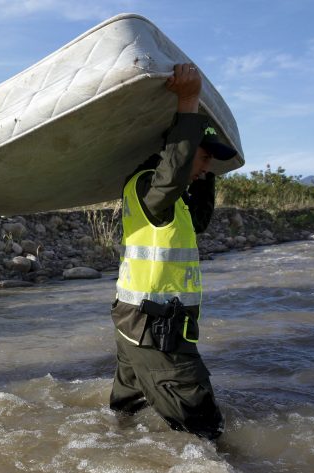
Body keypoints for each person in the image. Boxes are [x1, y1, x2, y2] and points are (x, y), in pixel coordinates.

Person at [108, 63, 237, 440]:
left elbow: (199, 220)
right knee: (205, 430)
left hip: (136, 322)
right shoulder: (151, 186)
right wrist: (188, 100)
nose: (205, 167)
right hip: (156, 329)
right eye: (204, 158)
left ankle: (114, 451)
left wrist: (207, 173)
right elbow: (175, 168)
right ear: (179, 152)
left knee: (127, 413)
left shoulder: (172, 203)